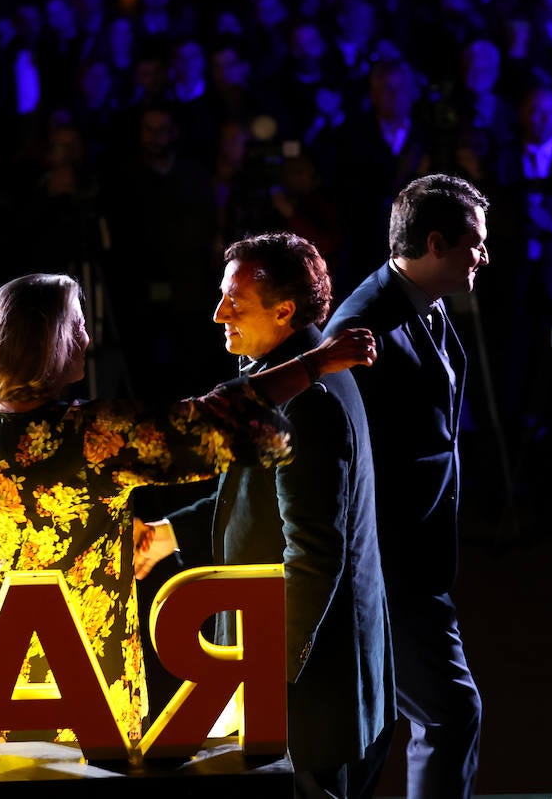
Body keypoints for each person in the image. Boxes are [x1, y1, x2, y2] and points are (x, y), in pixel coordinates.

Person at [0, 273, 376, 747]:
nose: (89, 338)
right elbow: (211, 421)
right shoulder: (91, 436)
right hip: (79, 692)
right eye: (78, 326)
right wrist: (314, 364)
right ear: (48, 343)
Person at [133, 233, 393, 797]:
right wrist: (166, 535)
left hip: (306, 693)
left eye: (235, 302)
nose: (218, 313)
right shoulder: (288, 380)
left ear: (284, 311)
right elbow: (247, 500)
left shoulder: (308, 400)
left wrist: (265, 679)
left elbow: (314, 555)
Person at [323, 174, 488, 799]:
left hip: (414, 560)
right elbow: (344, 459)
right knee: (449, 712)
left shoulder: (427, 300)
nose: (485, 257)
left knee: (375, 734)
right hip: (387, 565)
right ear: (437, 243)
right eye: (476, 244)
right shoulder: (361, 326)